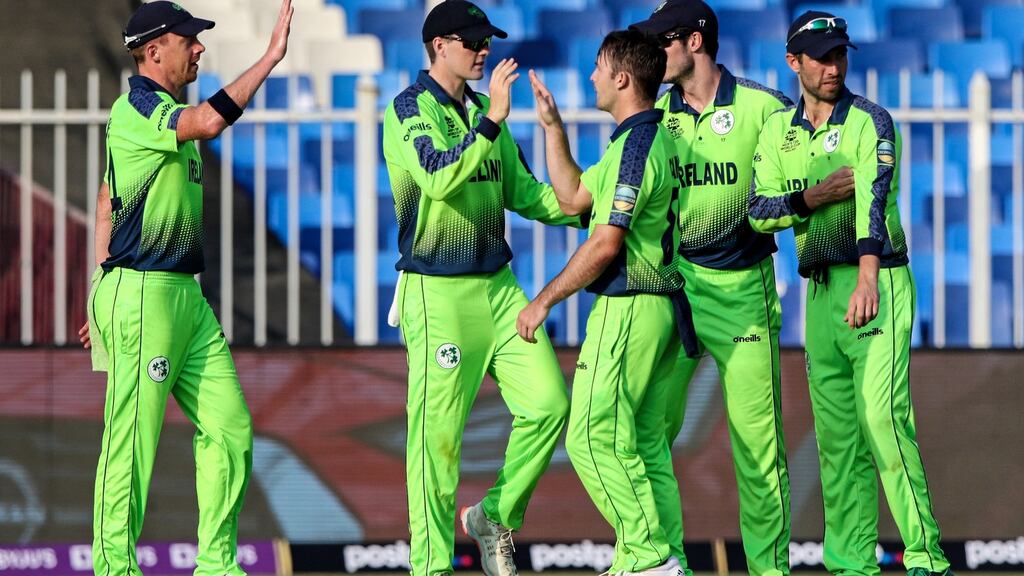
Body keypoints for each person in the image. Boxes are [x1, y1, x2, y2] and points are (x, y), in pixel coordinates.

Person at [77, 1, 293, 574]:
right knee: (132, 443)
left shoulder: (162, 113)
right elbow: (210, 122)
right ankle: (113, 567)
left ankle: (217, 565)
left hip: (183, 299)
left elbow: (107, 200)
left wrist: (100, 286)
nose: (198, 48)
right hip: (146, 294)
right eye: (187, 40)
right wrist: (269, 57)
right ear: (153, 51)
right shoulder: (140, 108)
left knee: (229, 428)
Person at [748, 11, 953, 576]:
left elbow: (873, 201)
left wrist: (866, 276)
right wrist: (808, 199)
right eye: (821, 56)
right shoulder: (777, 132)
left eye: (840, 54)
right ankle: (850, 565)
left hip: (877, 281)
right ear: (795, 63)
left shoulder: (871, 121)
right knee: (838, 444)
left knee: (884, 422)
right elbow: (758, 211)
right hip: (819, 295)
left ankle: (926, 561)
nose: (834, 66)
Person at [381, 2, 580, 575]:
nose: (483, 49)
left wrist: (595, 213)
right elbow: (439, 177)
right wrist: (491, 118)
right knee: (437, 445)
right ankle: (431, 567)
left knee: (548, 405)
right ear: (439, 45)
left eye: (486, 39)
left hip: (498, 290)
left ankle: (493, 514)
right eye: (472, 41)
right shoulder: (407, 109)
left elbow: (529, 195)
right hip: (438, 294)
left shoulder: (482, 112)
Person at [629, 2, 794, 573]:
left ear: (694, 41)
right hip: (674, 292)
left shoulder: (765, 108)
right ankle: (665, 562)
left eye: (662, 41)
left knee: (759, 453)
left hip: (744, 295)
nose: (652, 53)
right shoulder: (653, 116)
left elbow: (798, 189)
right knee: (648, 430)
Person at [518, 29, 687, 576]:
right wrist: (553, 128)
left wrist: (543, 301)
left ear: (621, 78)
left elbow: (605, 241)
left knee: (591, 438)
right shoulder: (637, 142)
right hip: (658, 308)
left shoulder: (637, 146)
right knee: (641, 444)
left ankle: (646, 558)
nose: (590, 76)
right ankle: (668, 559)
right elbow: (573, 198)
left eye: (597, 67)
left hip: (631, 307)